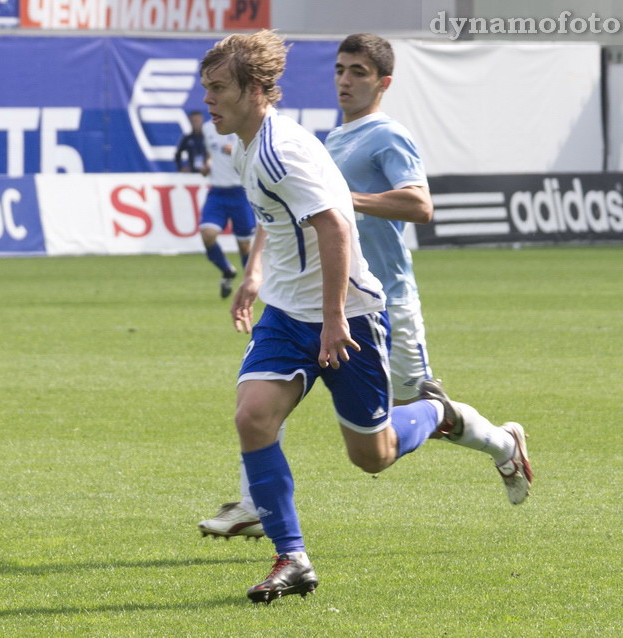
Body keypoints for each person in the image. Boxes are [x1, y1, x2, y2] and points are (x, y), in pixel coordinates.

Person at [197, 31, 534, 602]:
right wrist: (255, 276)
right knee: (253, 417)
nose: (208, 99)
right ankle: (292, 556)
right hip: (287, 314)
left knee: (372, 457)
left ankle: (435, 410)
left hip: (348, 312)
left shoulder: (283, 147)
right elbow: (279, 221)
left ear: (255, 90)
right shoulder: (247, 146)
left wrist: (334, 319)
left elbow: (334, 225)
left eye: (218, 88)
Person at [199, 118, 256, 298]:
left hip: (240, 192)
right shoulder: (207, 128)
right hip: (217, 192)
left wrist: (238, 152)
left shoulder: (242, 125)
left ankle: (249, 283)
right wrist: (207, 164)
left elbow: (256, 153)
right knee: (207, 234)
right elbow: (210, 153)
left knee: (244, 245)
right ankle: (226, 270)